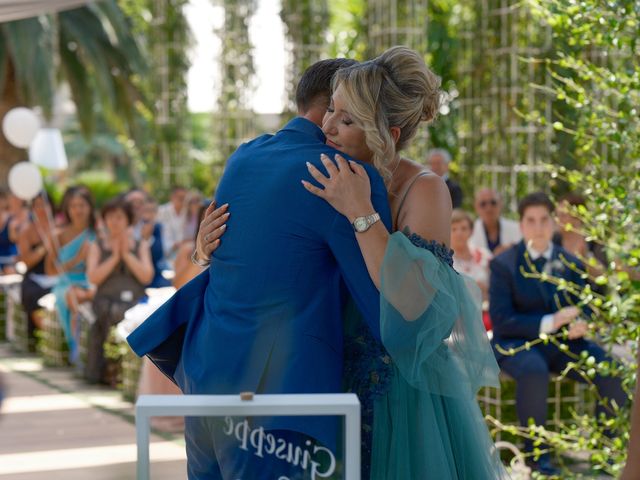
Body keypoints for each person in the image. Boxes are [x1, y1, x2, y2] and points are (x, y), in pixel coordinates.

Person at [202, 48, 504, 478]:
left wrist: (362, 212)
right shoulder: (324, 169)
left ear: (389, 133)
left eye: (345, 120)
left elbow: (415, 305)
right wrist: (206, 246)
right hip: (323, 373)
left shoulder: (425, 189)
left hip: (396, 392)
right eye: (331, 112)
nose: (327, 127)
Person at [128, 57, 392, 479]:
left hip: (207, 378)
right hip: (278, 401)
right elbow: (383, 302)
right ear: (331, 107)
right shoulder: (342, 175)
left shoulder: (244, 157)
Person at [489, 191, 626, 475]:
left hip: (565, 343)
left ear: (553, 222)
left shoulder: (570, 261)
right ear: (522, 224)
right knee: (534, 370)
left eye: (543, 220)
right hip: (517, 344)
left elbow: (585, 304)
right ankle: (537, 458)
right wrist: (550, 321)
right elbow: (502, 321)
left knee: (613, 370)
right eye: (531, 221)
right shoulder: (503, 265)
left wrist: (583, 322)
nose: (538, 227)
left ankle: (606, 453)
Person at [86, 197, 153, 384]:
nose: (114, 222)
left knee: (126, 312)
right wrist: (114, 257)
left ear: (128, 220)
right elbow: (93, 277)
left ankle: (121, 370)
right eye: (110, 217)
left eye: (119, 217)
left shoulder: (140, 244)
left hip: (135, 299)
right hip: (105, 299)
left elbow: (146, 276)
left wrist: (126, 255)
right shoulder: (97, 245)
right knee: (110, 311)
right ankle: (108, 369)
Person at [46, 186, 96, 358]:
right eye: (73, 206)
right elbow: (51, 270)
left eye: (82, 205)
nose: (78, 210)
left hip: (91, 281)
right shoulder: (58, 235)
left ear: (90, 207)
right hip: (66, 283)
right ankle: (77, 349)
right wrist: (77, 259)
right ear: (67, 209)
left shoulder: (97, 234)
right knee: (73, 296)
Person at [16, 194, 59, 348]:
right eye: (37, 205)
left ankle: (56, 341)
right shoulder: (26, 231)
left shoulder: (60, 228)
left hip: (57, 275)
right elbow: (26, 261)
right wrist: (43, 248)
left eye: (44, 205)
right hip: (34, 276)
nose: (41, 209)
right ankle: (46, 340)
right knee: (31, 293)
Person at [451, 209, 493, 330]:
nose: (459, 233)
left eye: (463, 228)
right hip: (457, 321)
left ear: (471, 231)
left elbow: (498, 286)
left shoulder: (485, 256)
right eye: (454, 229)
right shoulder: (444, 261)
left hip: (486, 316)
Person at [470, 187, 521, 255]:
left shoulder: (517, 228)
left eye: (493, 203)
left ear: (501, 204)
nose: (489, 208)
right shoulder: (468, 231)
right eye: (483, 204)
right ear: (476, 207)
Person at [157, 186, 188, 262]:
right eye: (180, 198)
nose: (183, 200)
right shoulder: (162, 211)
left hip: (183, 253)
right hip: (165, 253)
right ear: (172, 197)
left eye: (185, 198)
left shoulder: (188, 212)